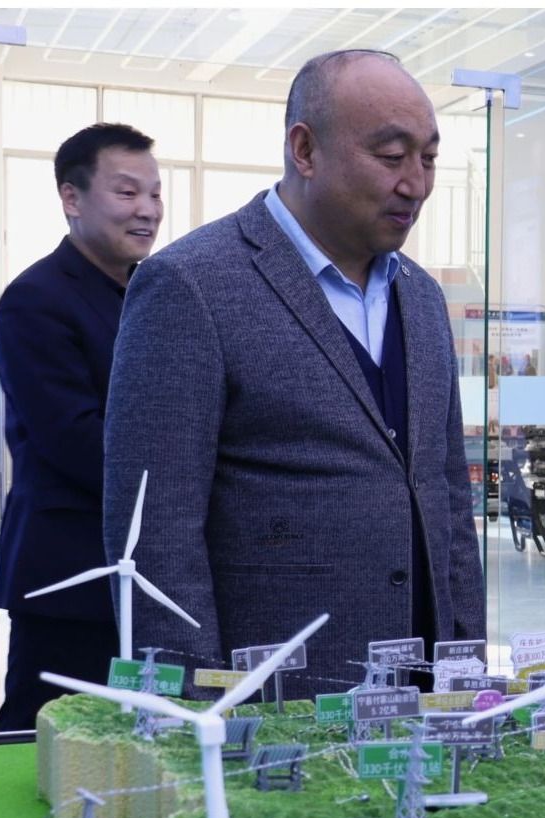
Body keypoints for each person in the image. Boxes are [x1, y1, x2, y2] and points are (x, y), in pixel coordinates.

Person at [103, 50, 484, 700]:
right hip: (275, 705)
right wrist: (196, 718)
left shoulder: (420, 298)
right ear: (305, 150)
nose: (416, 184)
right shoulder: (191, 286)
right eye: (392, 156)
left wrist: (467, 677)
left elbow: (447, 498)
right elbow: (154, 532)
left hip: (422, 701)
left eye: (428, 158)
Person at [0, 123, 160, 729]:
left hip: (146, 572)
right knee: (42, 736)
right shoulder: (35, 298)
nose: (147, 210)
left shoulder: (152, 293)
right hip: (69, 574)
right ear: (72, 197)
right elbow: (75, 439)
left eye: (155, 194)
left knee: (137, 742)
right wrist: (188, 480)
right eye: (127, 192)